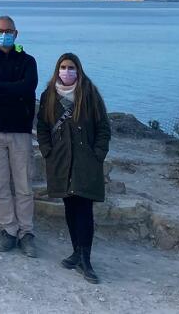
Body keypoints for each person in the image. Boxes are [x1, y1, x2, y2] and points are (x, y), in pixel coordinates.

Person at [36, 52, 111, 284]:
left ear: (78, 70)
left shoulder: (89, 94)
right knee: (70, 207)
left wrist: (97, 155)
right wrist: (47, 151)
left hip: (85, 162)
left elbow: (103, 128)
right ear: (57, 69)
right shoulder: (48, 95)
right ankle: (76, 252)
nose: (66, 71)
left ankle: (86, 258)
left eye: (71, 67)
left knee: (84, 209)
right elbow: (42, 127)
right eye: (63, 67)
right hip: (61, 161)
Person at [0, 15, 39, 255]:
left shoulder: (28, 61)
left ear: (16, 33)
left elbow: (28, 86)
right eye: (0, 30)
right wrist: (13, 90)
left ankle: (26, 232)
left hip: (20, 130)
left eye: (9, 30)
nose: (5, 34)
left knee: (24, 184)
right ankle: (8, 230)